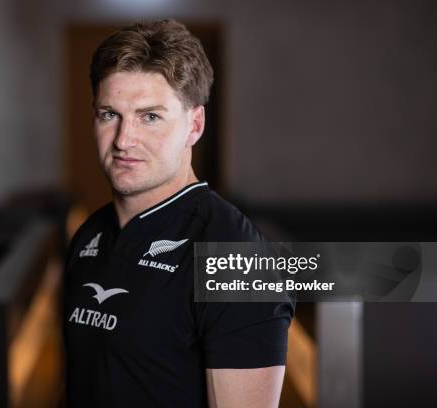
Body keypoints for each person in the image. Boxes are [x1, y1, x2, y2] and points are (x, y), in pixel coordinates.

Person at [62, 19, 294, 407]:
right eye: (109, 114)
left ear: (195, 125)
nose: (123, 140)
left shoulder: (235, 256)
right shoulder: (89, 234)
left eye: (150, 117)